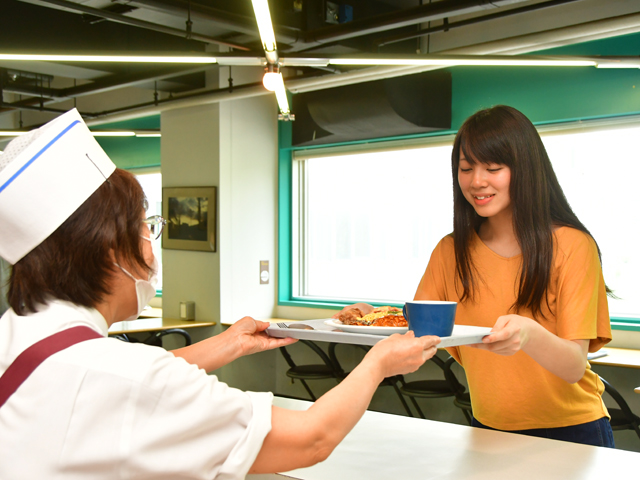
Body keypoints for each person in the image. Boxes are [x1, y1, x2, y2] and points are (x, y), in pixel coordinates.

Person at [0, 109, 440, 479]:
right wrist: (377, 363)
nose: (153, 247)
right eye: (145, 228)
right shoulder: (123, 377)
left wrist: (227, 344)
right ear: (110, 250)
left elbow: (115, 379)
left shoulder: (18, 333)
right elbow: (312, 439)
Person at [336, 105, 614, 447]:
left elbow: (573, 365)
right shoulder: (450, 251)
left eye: (493, 168)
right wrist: (371, 316)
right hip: (487, 428)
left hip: (573, 432)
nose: (476, 181)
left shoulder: (572, 245)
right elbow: (419, 329)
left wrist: (528, 334)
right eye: (466, 168)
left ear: (525, 168)